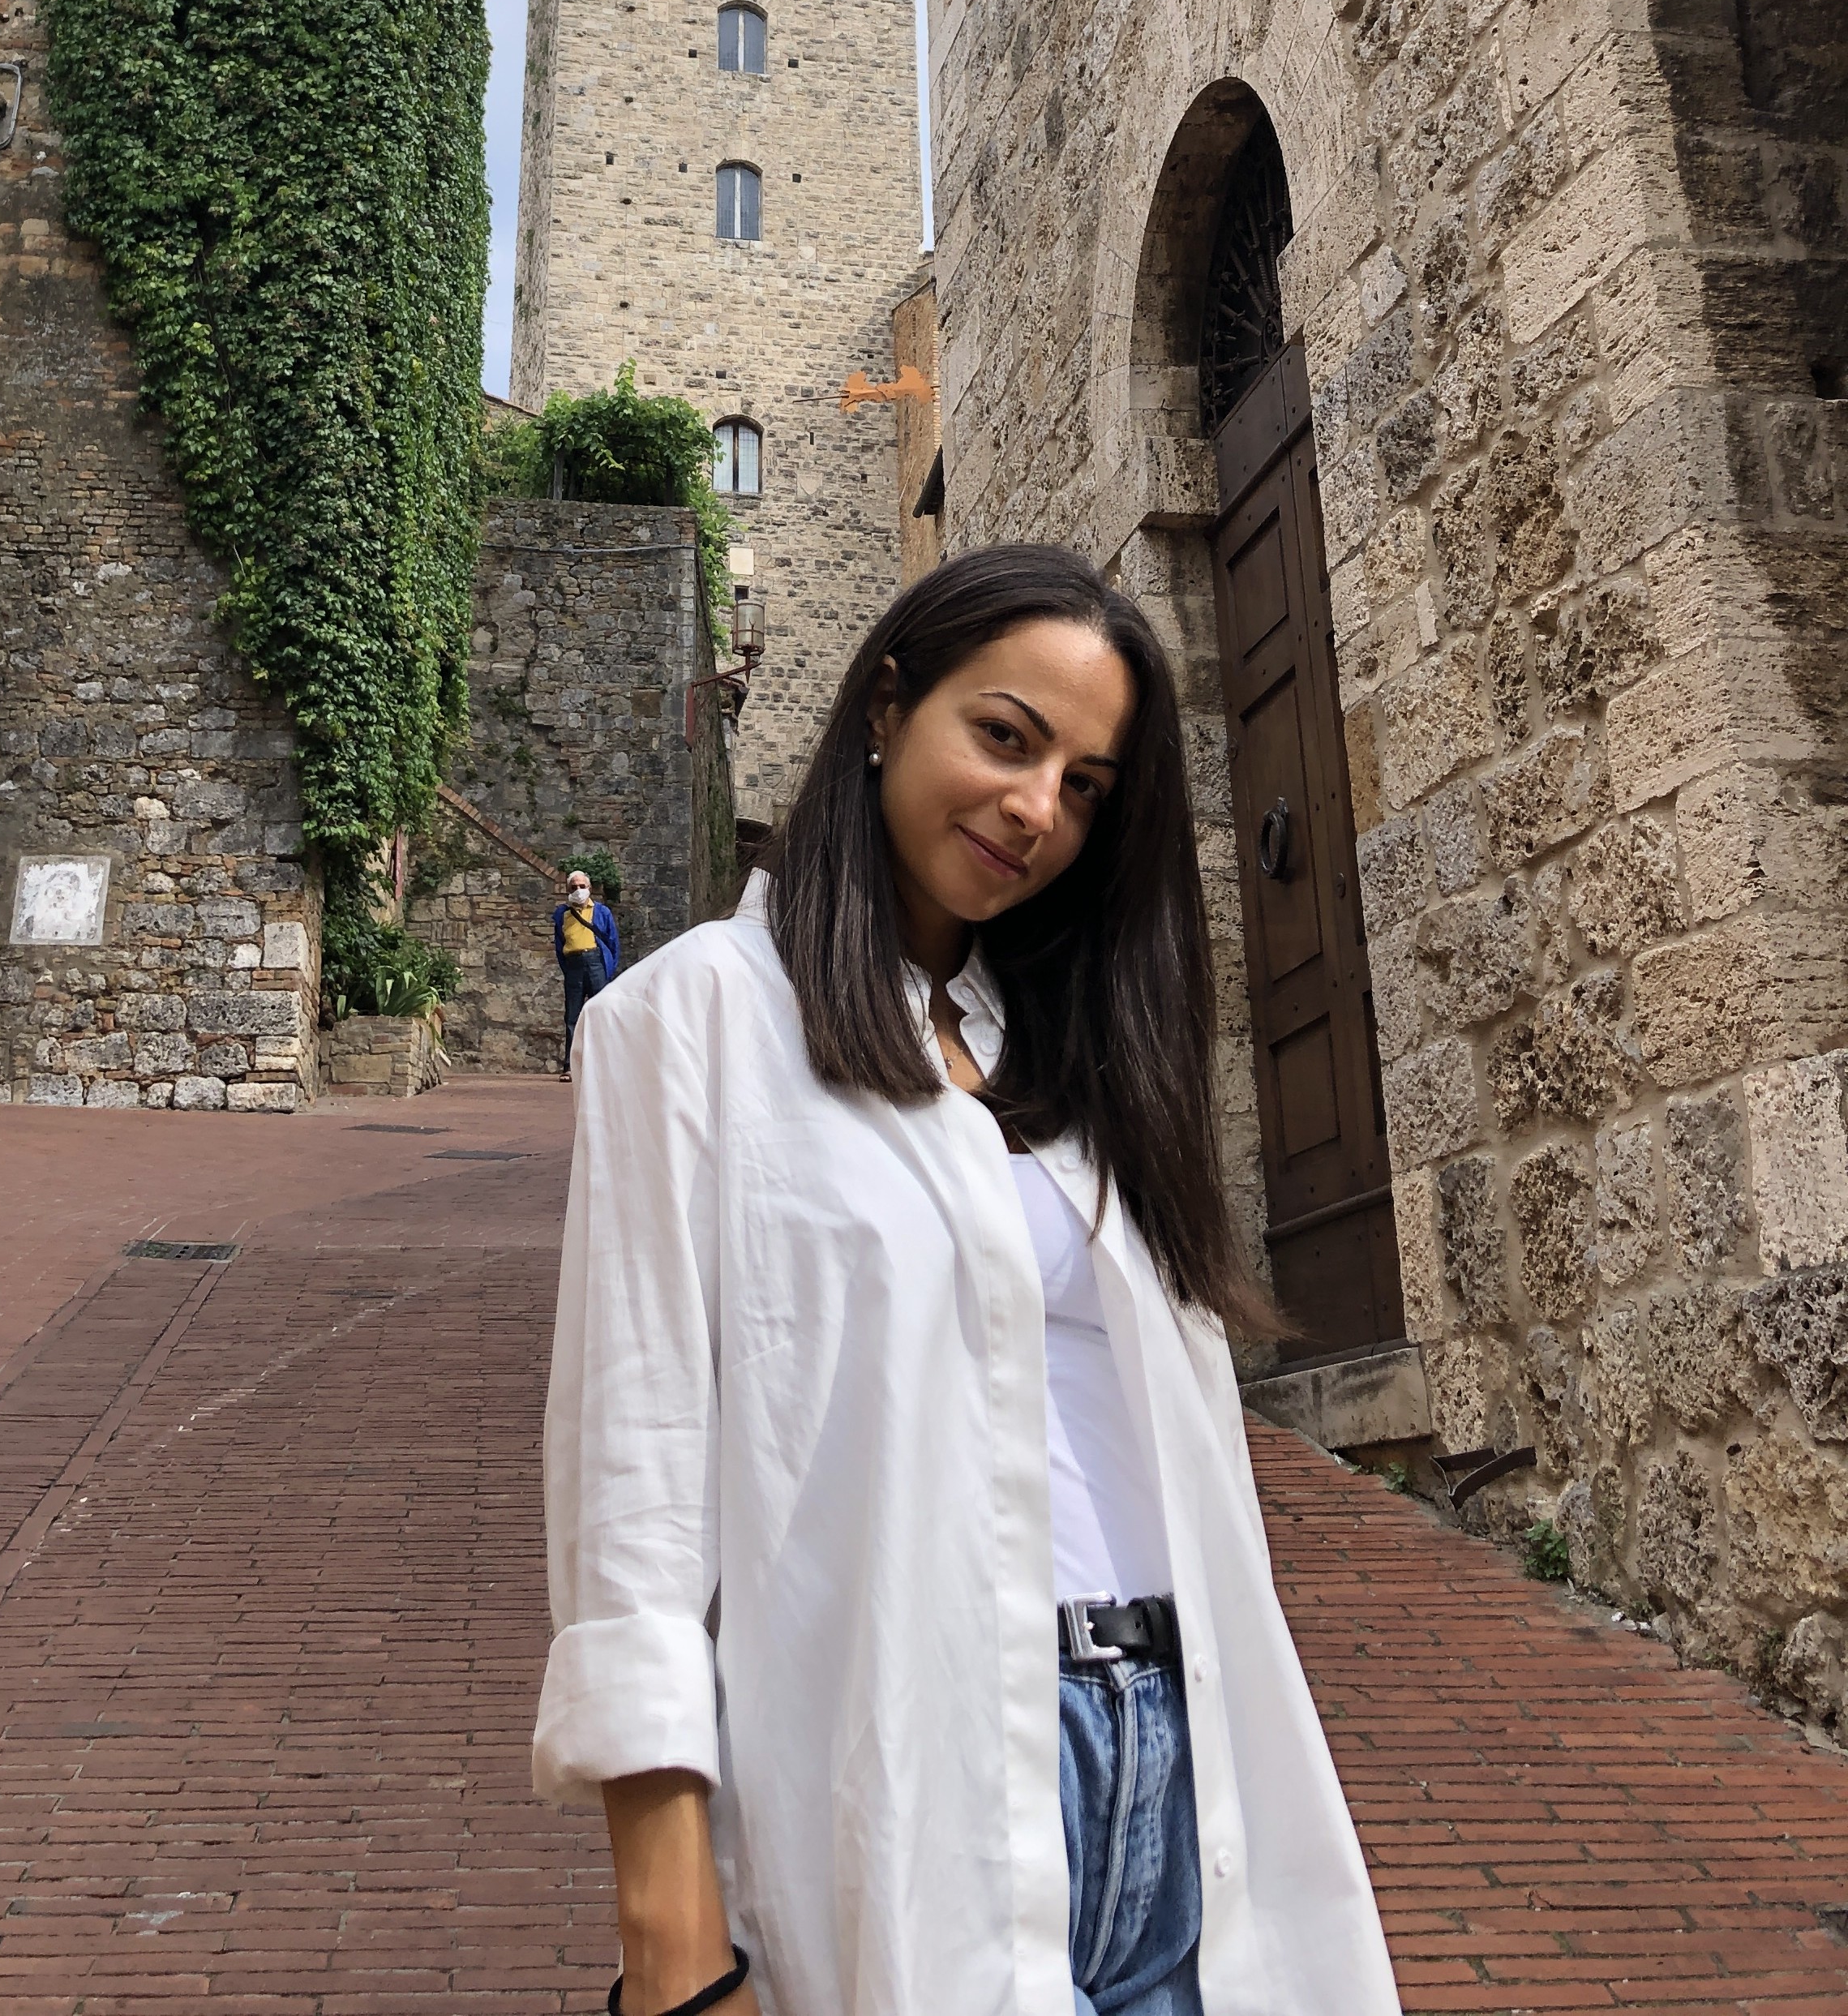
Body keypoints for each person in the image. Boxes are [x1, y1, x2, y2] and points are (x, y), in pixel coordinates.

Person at [534, 545, 1401, 2016]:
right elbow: (635, 1494)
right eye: (1005, 737)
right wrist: (671, 1949)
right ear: (887, 706)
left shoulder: (1077, 1053)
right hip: (921, 1783)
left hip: (1183, 1772)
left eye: (1085, 786)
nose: (1036, 808)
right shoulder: (689, 1024)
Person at [554, 867, 620, 1078]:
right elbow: (559, 945)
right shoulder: (562, 914)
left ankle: (604, 1065)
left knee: (600, 1013)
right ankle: (570, 1066)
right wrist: (568, 968)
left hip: (595, 962)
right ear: (568, 890)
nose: (578, 890)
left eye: (582, 886)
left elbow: (613, 942)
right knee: (572, 1017)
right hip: (573, 964)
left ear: (589, 888)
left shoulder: (602, 912)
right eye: (574, 887)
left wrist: (607, 968)